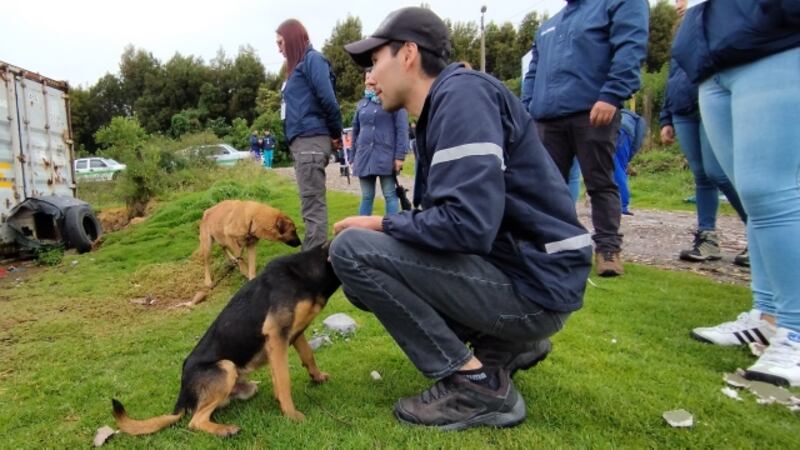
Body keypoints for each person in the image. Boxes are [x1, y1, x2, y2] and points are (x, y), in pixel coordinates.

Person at [333, 7, 592, 430]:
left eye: (375, 60)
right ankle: (506, 343)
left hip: (536, 286)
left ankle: (479, 386)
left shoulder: (461, 98)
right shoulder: (445, 105)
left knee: (353, 251)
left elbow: (468, 225)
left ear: (409, 53)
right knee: (363, 271)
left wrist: (382, 224)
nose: (369, 76)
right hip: (528, 275)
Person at [672, 0, 800, 386]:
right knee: (751, 194)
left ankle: (795, 329)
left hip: (773, 40)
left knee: (772, 190)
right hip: (715, 58)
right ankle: (766, 316)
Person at [521, 0, 649, 277]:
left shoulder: (614, 5)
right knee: (546, 187)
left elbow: (630, 48)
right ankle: (554, 246)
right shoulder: (548, 25)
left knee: (600, 181)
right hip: (547, 118)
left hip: (593, 111)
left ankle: (608, 249)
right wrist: (527, 108)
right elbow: (534, 71)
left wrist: (612, 94)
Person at [276, 19, 342, 250]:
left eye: (281, 42)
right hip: (302, 141)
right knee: (309, 204)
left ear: (293, 38)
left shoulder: (313, 60)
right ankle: (313, 263)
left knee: (313, 207)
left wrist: (335, 133)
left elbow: (329, 100)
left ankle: (311, 267)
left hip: (311, 140)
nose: (279, 48)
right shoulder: (297, 67)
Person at [567, 109, 647, 216]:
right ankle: (622, 205)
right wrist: (628, 158)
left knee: (603, 167)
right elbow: (637, 143)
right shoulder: (639, 121)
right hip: (622, 132)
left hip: (608, 128)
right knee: (618, 169)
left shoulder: (622, 113)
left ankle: (600, 201)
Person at [351, 70, 408, 215]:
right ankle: (361, 232)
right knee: (366, 196)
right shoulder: (361, 104)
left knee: (390, 195)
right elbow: (355, 131)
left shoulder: (394, 101)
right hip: (364, 157)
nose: (368, 81)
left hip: (386, 156)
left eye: (371, 78)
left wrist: (400, 156)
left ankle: (393, 229)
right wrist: (353, 157)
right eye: (366, 78)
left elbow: (402, 129)